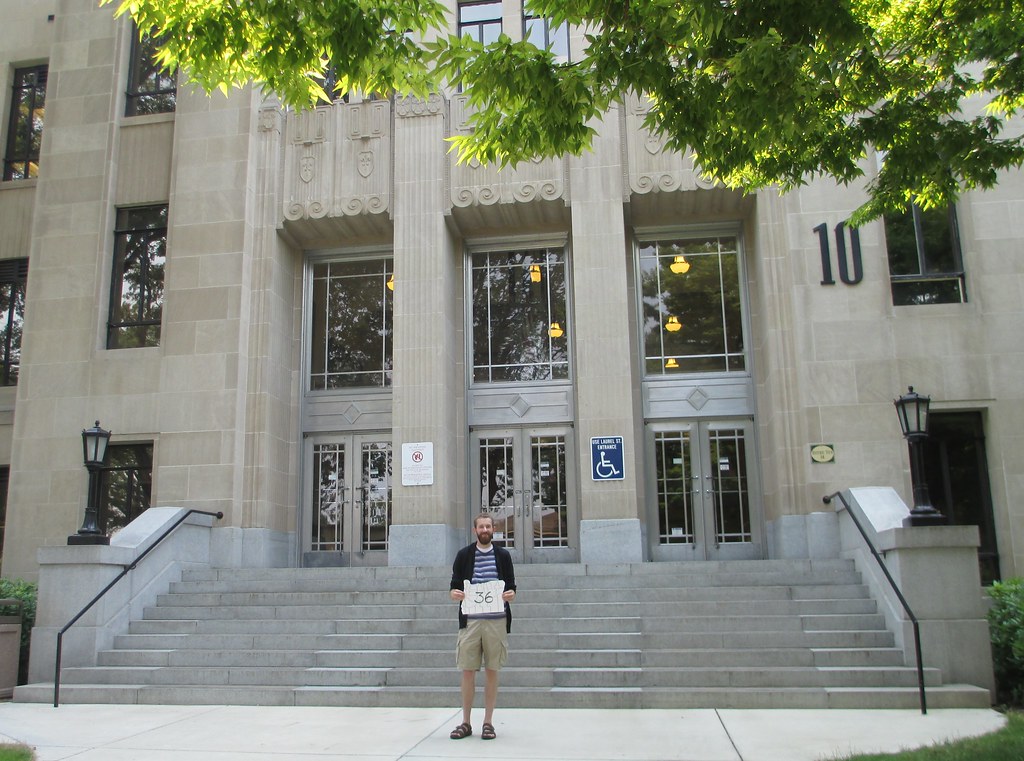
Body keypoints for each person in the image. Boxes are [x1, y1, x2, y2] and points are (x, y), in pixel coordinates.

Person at [448, 512, 516, 741]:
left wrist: (510, 594)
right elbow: (454, 586)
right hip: (471, 620)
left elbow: (512, 586)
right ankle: (466, 722)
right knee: (468, 670)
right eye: (481, 527)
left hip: (496, 619)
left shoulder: (503, 556)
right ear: (475, 530)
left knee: (492, 670)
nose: (485, 530)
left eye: (488, 526)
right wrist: (455, 594)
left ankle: (488, 722)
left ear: (493, 529)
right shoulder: (464, 555)